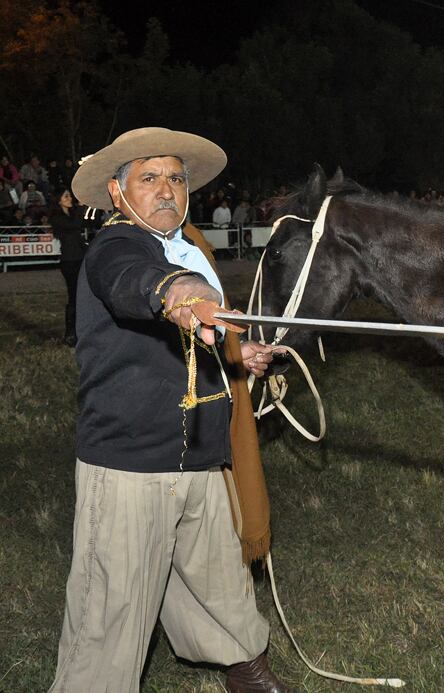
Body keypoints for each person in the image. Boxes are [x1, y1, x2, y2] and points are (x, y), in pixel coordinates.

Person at [51, 127, 290, 692]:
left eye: (176, 179)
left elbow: (199, 330)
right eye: (149, 178)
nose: (166, 190)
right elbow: (136, 280)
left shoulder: (189, 247)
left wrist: (240, 348)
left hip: (200, 455)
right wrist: (178, 291)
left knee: (216, 577)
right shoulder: (117, 246)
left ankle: (246, 669)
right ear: (117, 192)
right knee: (111, 604)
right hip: (132, 459)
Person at [48, 189, 87, 346]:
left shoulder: (71, 215)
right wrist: (81, 207)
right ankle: (70, 333)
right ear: (59, 201)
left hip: (79, 258)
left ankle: (79, 331)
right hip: (69, 261)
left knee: (80, 296)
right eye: (66, 196)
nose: (69, 198)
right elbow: (75, 225)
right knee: (73, 296)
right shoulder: (58, 218)